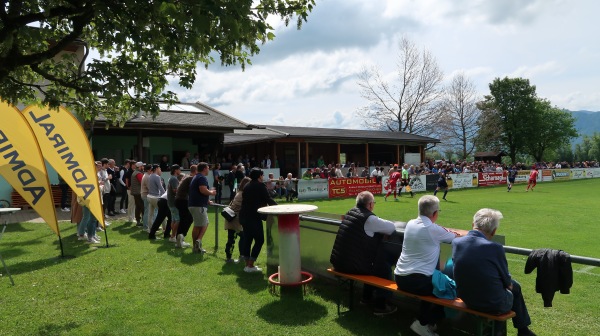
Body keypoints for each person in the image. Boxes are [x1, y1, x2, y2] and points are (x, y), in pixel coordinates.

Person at [452, 209, 536, 336]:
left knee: (498, 288)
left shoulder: (457, 242)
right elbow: (507, 282)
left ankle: (517, 330)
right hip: (490, 303)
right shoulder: (494, 248)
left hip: (465, 297)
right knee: (514, 288)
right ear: (494, 231)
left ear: (472, 224)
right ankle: (522, 330)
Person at [394, 195, 458, 336]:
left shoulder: (411, 223)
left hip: (400, 277)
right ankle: (423, 322)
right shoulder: (433, 229)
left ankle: (427, 323)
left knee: (433, 281)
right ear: (435, 213)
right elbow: (456, 236)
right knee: (450, 291)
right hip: (417, 282)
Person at [330, 191, 398, 316]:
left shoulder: (350, 213)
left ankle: (366, 298)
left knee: (370, 263)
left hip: (338, 262)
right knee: (384, 267)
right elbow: (391, 228)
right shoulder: (369, 219)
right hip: (351, 266)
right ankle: (380, 306)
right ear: (370, 204)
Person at [239, 168, 277, 272]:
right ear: (259, 176)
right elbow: (268, 199)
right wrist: (278, 207)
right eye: (262, 175)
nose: (263, 176)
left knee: (248, 240)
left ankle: (247, 265)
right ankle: (250, 265)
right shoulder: (260, 186)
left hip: (244, 216)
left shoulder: (247, 186)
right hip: (253, 217)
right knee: (260, 240)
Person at [188, 162, 216, 253]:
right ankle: (196, 244)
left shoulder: (196, 177)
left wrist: (207, 201)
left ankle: (197, 243)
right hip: (198, 206)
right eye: (208, 168)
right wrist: (211, 193)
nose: (209, 169)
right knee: (198, 225)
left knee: (204, 223)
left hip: (195, 204)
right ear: (204, 169)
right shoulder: (201, 177)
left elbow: (198, 191)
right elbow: (203, 190)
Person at [224, 177, 250, 263]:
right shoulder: (244, 194)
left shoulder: (239, 193)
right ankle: (241, 256)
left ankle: (229, 257)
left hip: (231, 218)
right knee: (243, 237)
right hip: (236, 219)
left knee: (231, 239)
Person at [174, 165, 196, 248]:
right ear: (195, 171)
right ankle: (181, 237)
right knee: (188, 219)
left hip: (179, 200)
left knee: (184, 219)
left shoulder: (187, 177)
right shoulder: (191, 178)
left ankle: (180, 238)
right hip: (183, 200)